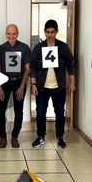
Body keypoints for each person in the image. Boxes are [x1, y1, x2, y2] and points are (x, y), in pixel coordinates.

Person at [30, 19, 76, 149]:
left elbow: (70, 65)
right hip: (41, 87)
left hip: (59, 87)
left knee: (60, 112)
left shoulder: (63, 47)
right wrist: (33, 84)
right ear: (44, 32)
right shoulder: (38, 48)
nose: (50, 35)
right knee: (40, 112)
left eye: (52, 32)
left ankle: (60, 136)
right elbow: (32, 67)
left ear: (56, 32)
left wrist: (73, 82)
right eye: (47, 32)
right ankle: (40, 136)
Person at [0, 24, 31, 148]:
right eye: (9, 34)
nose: (11, 36)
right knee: (1, 111)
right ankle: (3, 137)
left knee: (19, 110)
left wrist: (21, 86)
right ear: (6, 34)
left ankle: (15, 136)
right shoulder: (0, 49)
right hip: (3, 81)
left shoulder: (24, 47)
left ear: (18, 33)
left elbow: (27, 69)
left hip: (19, 82)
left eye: (14, 33)